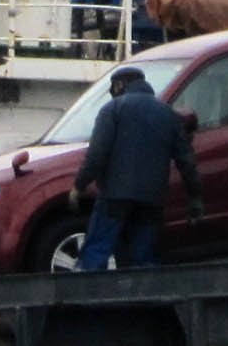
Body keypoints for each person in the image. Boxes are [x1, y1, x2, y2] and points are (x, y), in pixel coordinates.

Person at [68, 66, 203, 270]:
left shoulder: (112, 109)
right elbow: (186, 161)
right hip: (152, 199)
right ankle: (141, 290)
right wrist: (195, 198)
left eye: (113, 88)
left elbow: (96, 155)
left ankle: (89, 290)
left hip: (114, 197)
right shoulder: (168, 115)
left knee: (97, 250)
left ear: (119, 85)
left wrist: (79, 185)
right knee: (142, 258)